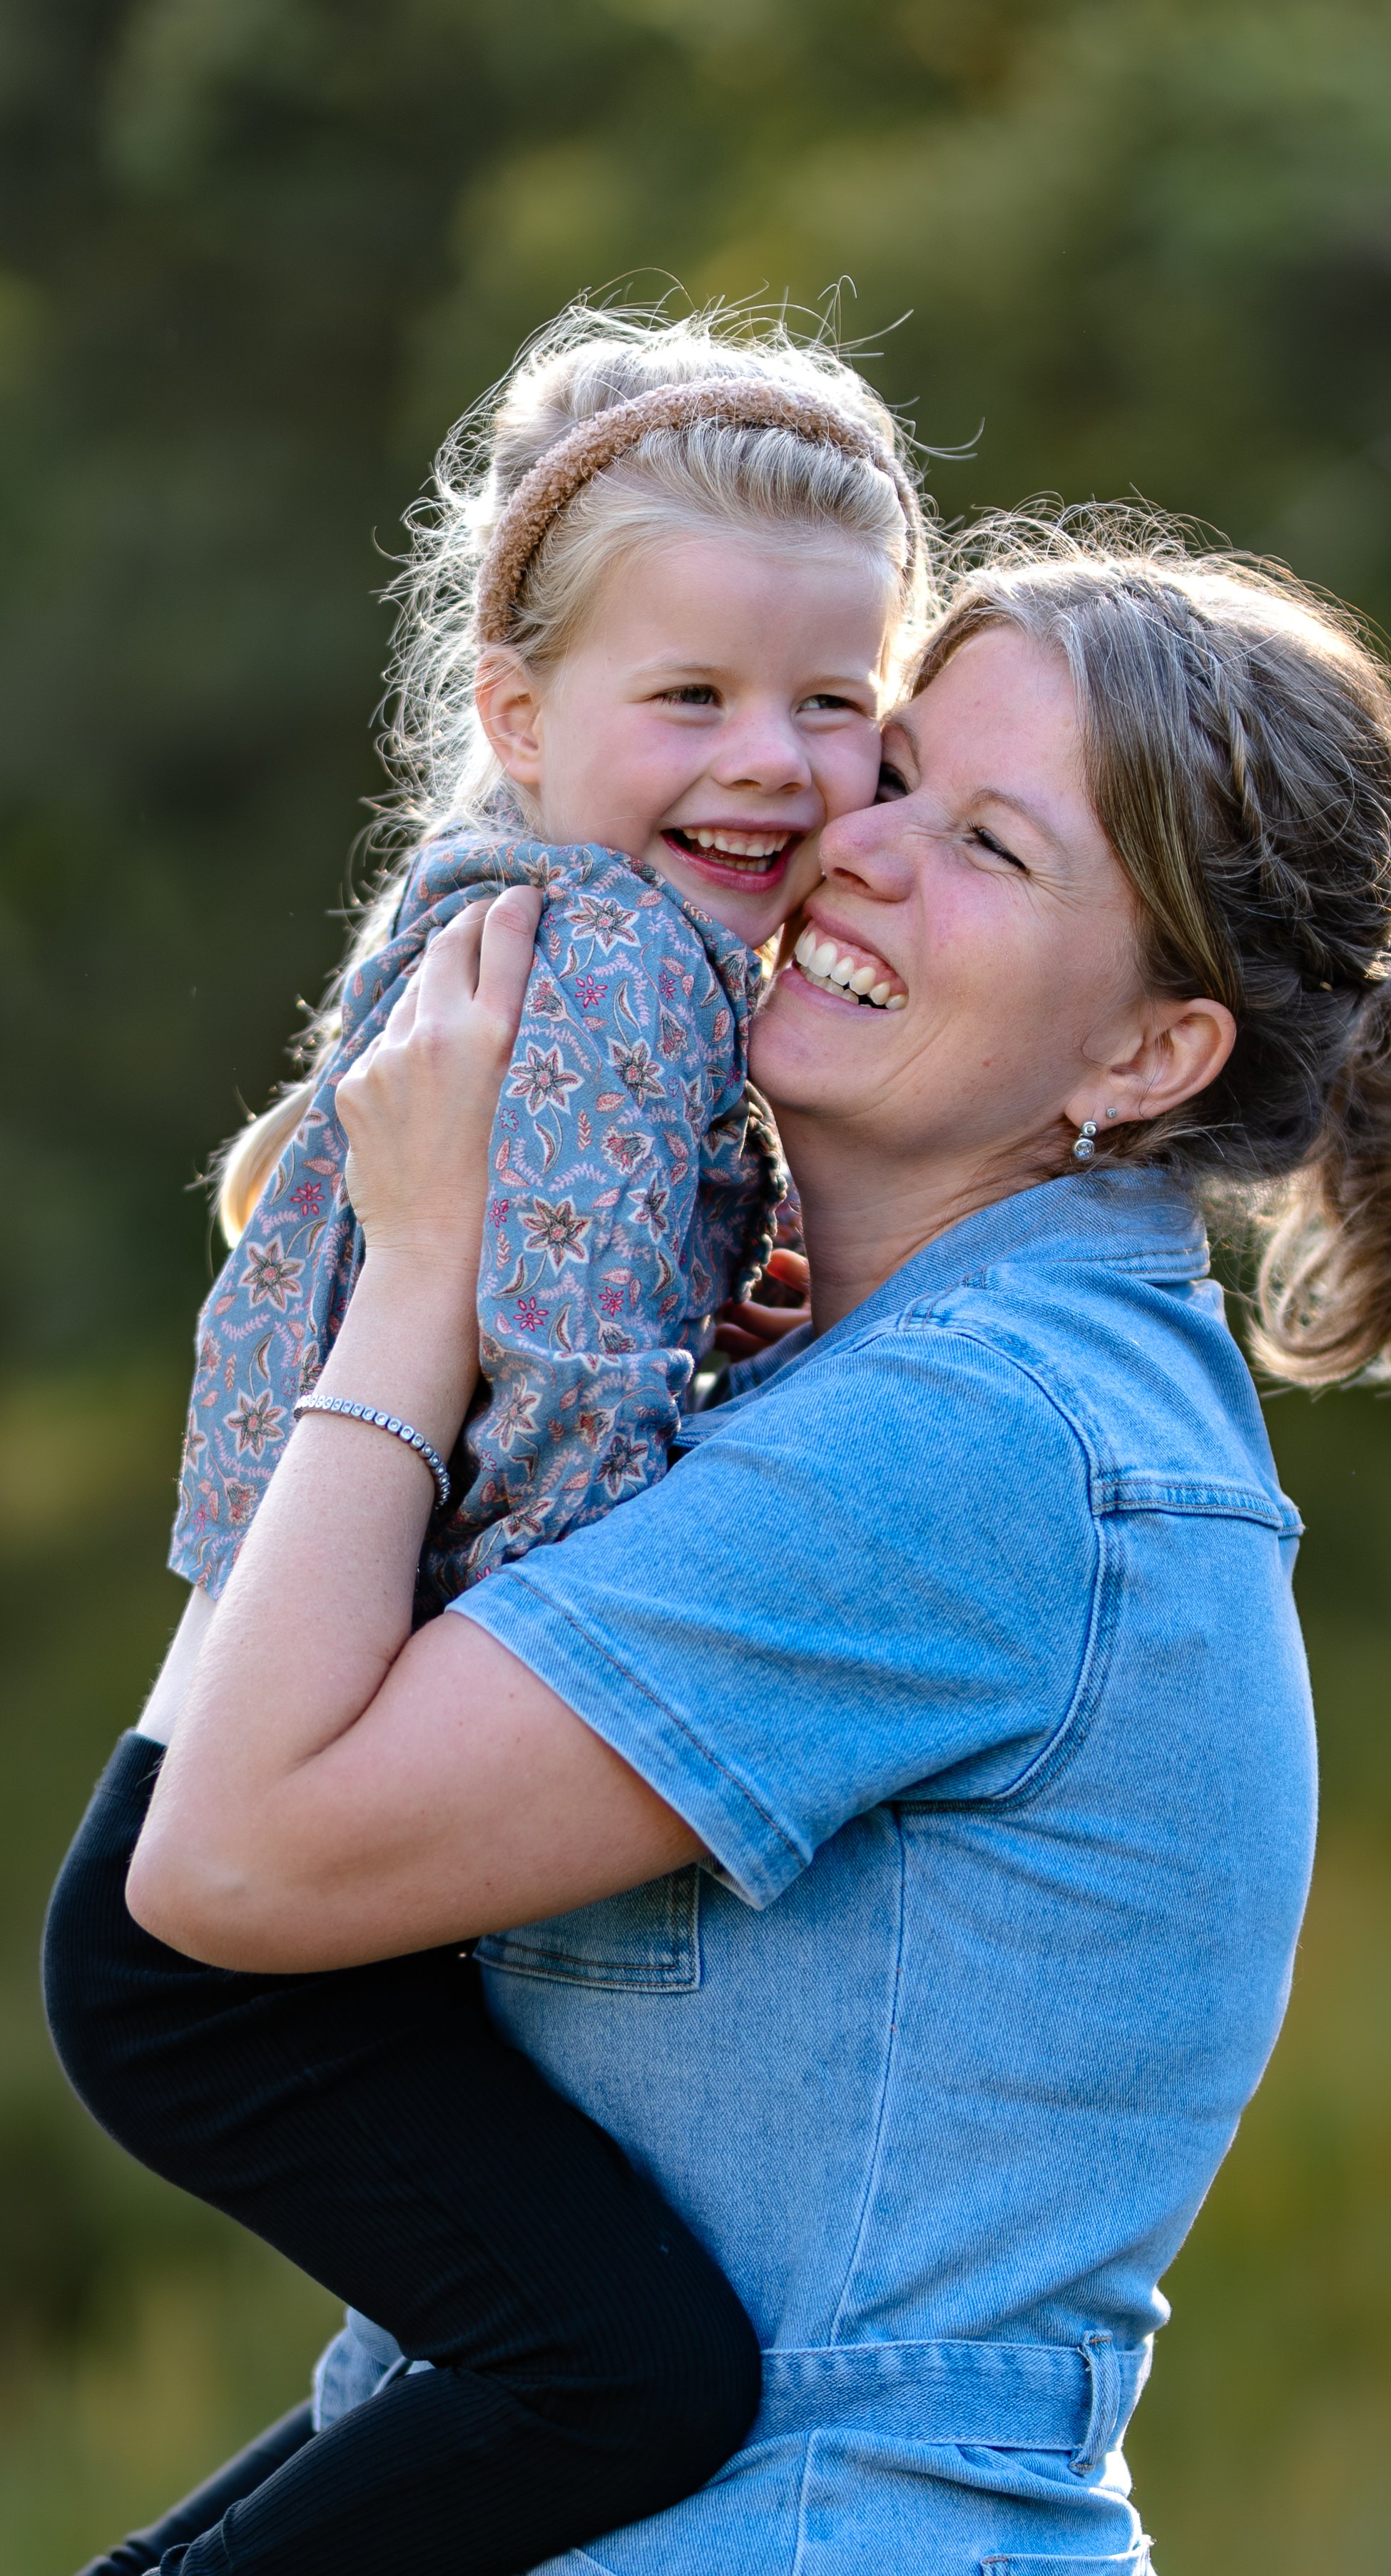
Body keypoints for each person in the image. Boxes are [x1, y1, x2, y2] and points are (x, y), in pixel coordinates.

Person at [76, 521, 1391, 2575]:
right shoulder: (854, 1382)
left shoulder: (975, 1443)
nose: (858, 842)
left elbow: (217, 1869)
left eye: (992, 847)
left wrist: (413, 1279)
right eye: (895, 764)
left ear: (1143, 1057)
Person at [41, 305, 929, 2576]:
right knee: (624, 2371)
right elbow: (564, 1401)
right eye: (696, 699)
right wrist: (645, 1653)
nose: (778, 762)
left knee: (496, 2359)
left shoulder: (543, 932)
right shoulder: (619, 972)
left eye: (839, 702)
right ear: (519, 720)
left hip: (218, 1860)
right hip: (240, 1927)